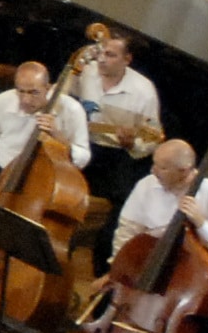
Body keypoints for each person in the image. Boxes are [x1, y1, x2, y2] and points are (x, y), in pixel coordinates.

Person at [0, 60, 93, 281]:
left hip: (42, 188)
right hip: (1, 180)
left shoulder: (71, 110)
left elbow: (83, 156)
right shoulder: (1, 103)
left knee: (42, 255)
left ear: (48, 88)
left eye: (33, 93)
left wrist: (59, 136)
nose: (25, 100)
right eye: (20, 91)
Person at [101, 134, 208, 287]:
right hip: (143, 270)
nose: (153, 171)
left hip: (188, 281)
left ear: (184, 170)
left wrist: (201, 223)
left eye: (163, 168)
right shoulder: (146, 185)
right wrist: (118, 271)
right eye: (154, 164)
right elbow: (127, 231)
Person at [68, 25, 169, 224]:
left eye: (111, 55)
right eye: (101, 53)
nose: (102, 59)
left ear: (127, 59)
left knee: (119, 203)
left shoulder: (144, 91)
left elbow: (153, 137)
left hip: (113, 156)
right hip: (79, 144)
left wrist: (132, 143)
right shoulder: (85, 72)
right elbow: (63, 99)